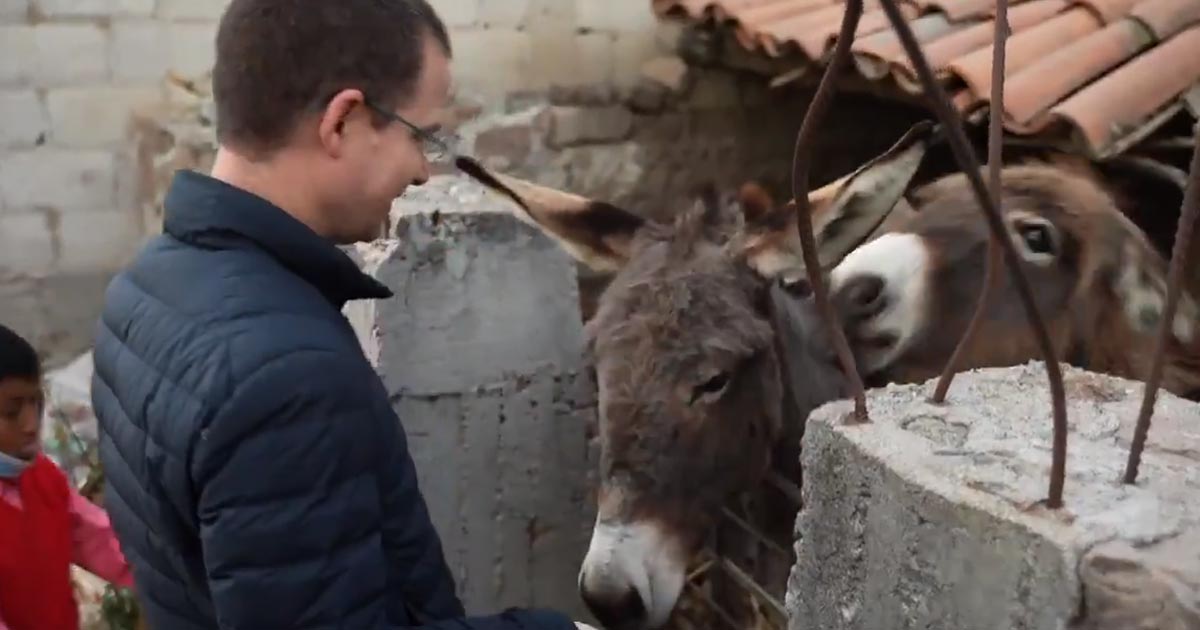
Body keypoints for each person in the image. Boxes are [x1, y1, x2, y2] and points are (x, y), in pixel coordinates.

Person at [89, 1, 595, 629]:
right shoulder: (287, 374)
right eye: (421, 136)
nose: (421, 171)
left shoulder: (144, 288)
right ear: (344, 121)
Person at [0, 323, 134, 630]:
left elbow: (100, 539)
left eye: (36, 402)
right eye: (11, 412)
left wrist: (166, 582)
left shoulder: (42, 477)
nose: (32, 424)